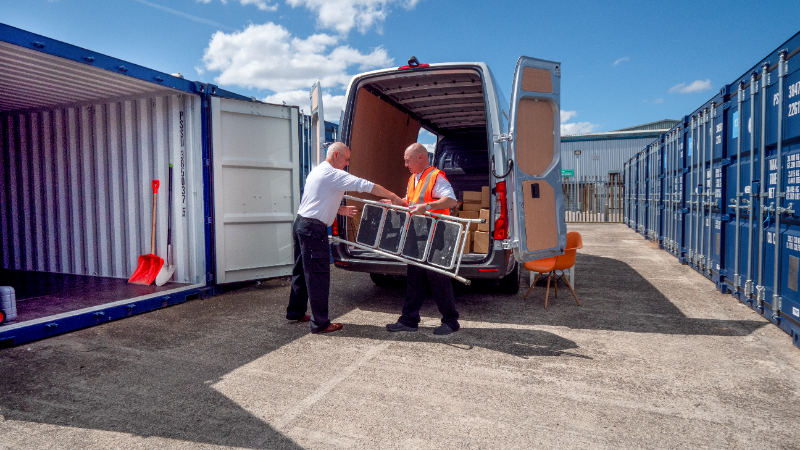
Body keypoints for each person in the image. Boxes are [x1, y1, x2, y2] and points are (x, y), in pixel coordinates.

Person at [287, 142, 407, 333]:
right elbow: (366, 185)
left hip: (302, 224)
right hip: (312, 229)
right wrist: (393, 196)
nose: (347, 163)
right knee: (318, 276)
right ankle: (320, 323)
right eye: (346, 159)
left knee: (301, 271)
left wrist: (338, 209)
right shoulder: (333, 174)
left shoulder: (317, 171)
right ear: (336, 155)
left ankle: (296, 311)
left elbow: (317, 199)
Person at [386, 143, 460, 335]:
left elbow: (451, 200)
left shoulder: (436, 176)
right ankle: (409, 320)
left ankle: (451, 321)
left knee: (438, 277)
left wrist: (426, 207)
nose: (405, 164)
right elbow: (412, 202)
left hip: (436, 232)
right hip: (418, 232)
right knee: (415, 277)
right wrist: (395, 201)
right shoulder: (413, 178)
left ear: (421, 157)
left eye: (408, 160)